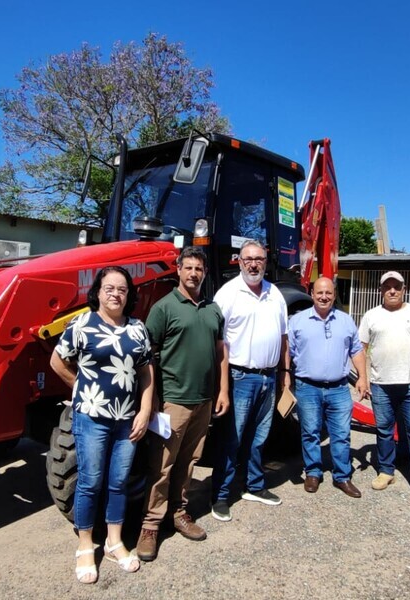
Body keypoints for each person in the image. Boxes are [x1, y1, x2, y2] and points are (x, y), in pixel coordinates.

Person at [50, 266, 154, 584]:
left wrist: (144, 410)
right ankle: (85, 545)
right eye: (109, 288)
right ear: (97, 292)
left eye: (122, 289)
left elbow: (146, 372)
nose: (115, 294)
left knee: (118, 482)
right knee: (90, 482)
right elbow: (57, 362)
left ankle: (114, 542)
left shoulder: (137, 328)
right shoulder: (81, 324)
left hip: (127, 420)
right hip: (91, 419)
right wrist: (82, 389)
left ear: (129, 294)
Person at [136, 247, 228, 562]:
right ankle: (150, 526)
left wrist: (222, 390)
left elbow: (220, 352)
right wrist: (153, 399)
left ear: (205, 272)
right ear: (178, 269)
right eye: (188, 267)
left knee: (189, 461)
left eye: (198, 269)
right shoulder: (163, 308)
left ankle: (178, 512)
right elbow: (148, 357)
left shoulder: (213, 309)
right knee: (161, 466)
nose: (193, 273)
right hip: (173, 401)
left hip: (203, 400)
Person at [211, 240, 288, 521]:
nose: (254, 264)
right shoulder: (227, 294)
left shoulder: (275, 294)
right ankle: (220, 495)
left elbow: (283, 338)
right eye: (248, 259)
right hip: (239, 377)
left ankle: (254, 485)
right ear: (239, 262)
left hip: (269, 377)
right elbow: (218, 343)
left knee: (259, 438)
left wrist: (285, 375)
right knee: (231, 439)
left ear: (265, 262)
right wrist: (222, 387)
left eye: (259, 259)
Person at [358, 271, 410, 507]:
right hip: (381, 385)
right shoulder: (371, 316)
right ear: (381, 290)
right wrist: (363, 378)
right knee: (384, 430)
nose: (392, 291)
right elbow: (360, 348)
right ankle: (386, 471)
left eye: (397, 287)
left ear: (404, 290)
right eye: (387, 287)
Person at [285, 277, 368, 498]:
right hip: (307, 387)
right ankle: (313, 472)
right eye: (320, 293)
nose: (324, 297)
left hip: (339, 389)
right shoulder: (298, 321)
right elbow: (287, 352)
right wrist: (285, 377)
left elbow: (356, 350)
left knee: (341, 434)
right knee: (310, 432)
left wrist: (362, 377)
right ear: (312, 294)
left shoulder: (345, 321)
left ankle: (342, 476)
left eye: (328, 293)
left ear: (334, 295)